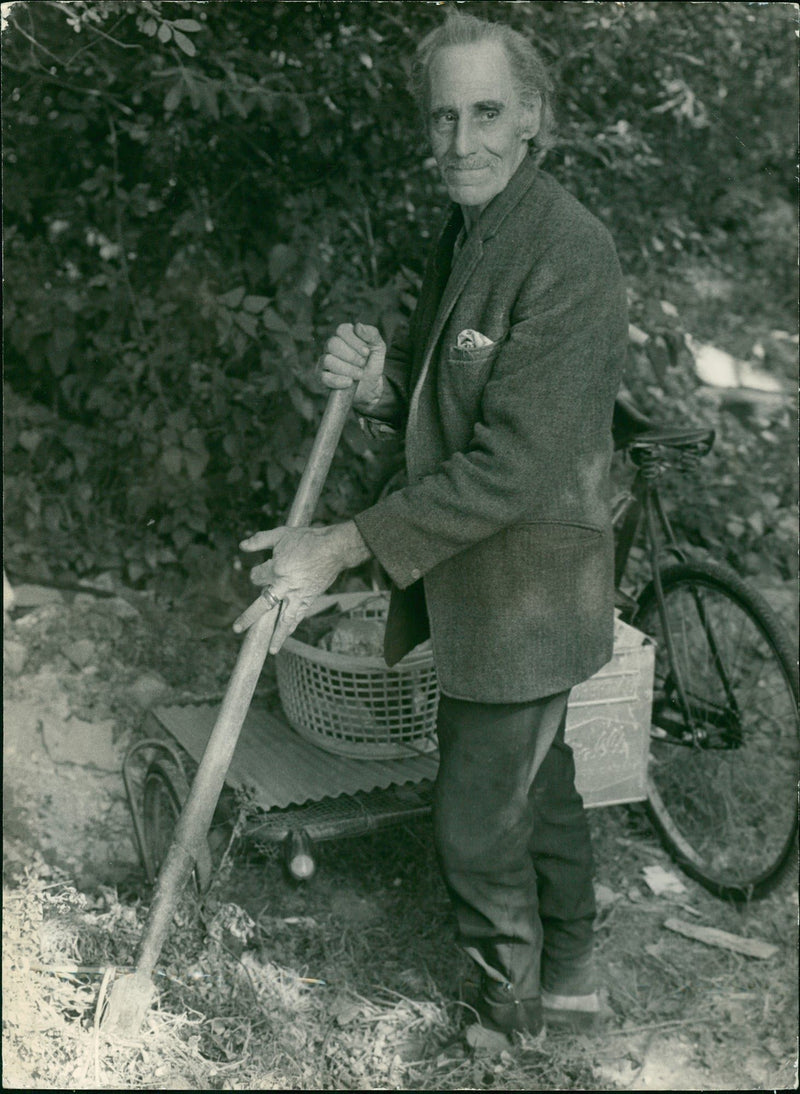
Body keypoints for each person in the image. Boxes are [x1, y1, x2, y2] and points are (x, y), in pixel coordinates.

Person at [234, 10, 628, 1038]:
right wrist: (378, 386)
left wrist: (340, 540)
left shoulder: (568, 250)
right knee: (534, 782)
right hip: (480, 577)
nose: (460, 141)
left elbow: (512, 462)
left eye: (486, 112)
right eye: (443, 117)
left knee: (473, 814)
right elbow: (453, 402)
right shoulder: (468, 226)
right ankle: (573, 980)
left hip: (526, 589)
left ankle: (508, 1015)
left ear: (532, 116)